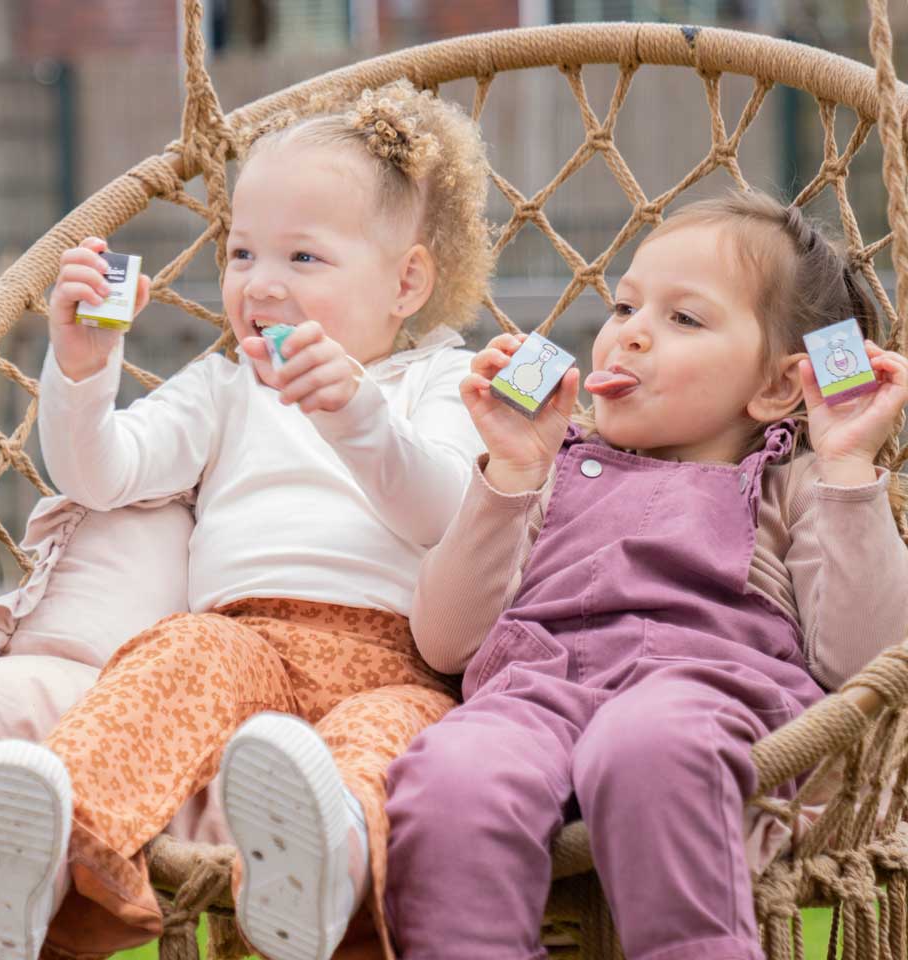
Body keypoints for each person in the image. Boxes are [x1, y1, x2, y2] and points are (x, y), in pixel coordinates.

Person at [0, 79, 492, 960]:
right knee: (176, 658)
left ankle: (326, 875)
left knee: (393, 740)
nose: (261, 285)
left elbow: (449, 515)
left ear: (406, 282)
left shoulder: (440, 385)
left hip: (399, 658)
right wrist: (83, 368)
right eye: (241, 255)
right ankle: (39, 859)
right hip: (245, 639)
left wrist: (354, 412)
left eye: (303, 259)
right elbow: (102, 475)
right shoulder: (226, 386)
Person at [382, 190, 908, 960]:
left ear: (775, 387)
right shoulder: (548, 470)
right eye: (624, 308)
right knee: (450, 779)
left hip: (702, 707)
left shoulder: (791, 486)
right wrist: (511, 470)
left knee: (643, 745)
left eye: (682, 319)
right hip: (535, 701)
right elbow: (445, 642)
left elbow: (866, 660)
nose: (628, 337)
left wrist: (848, 463)